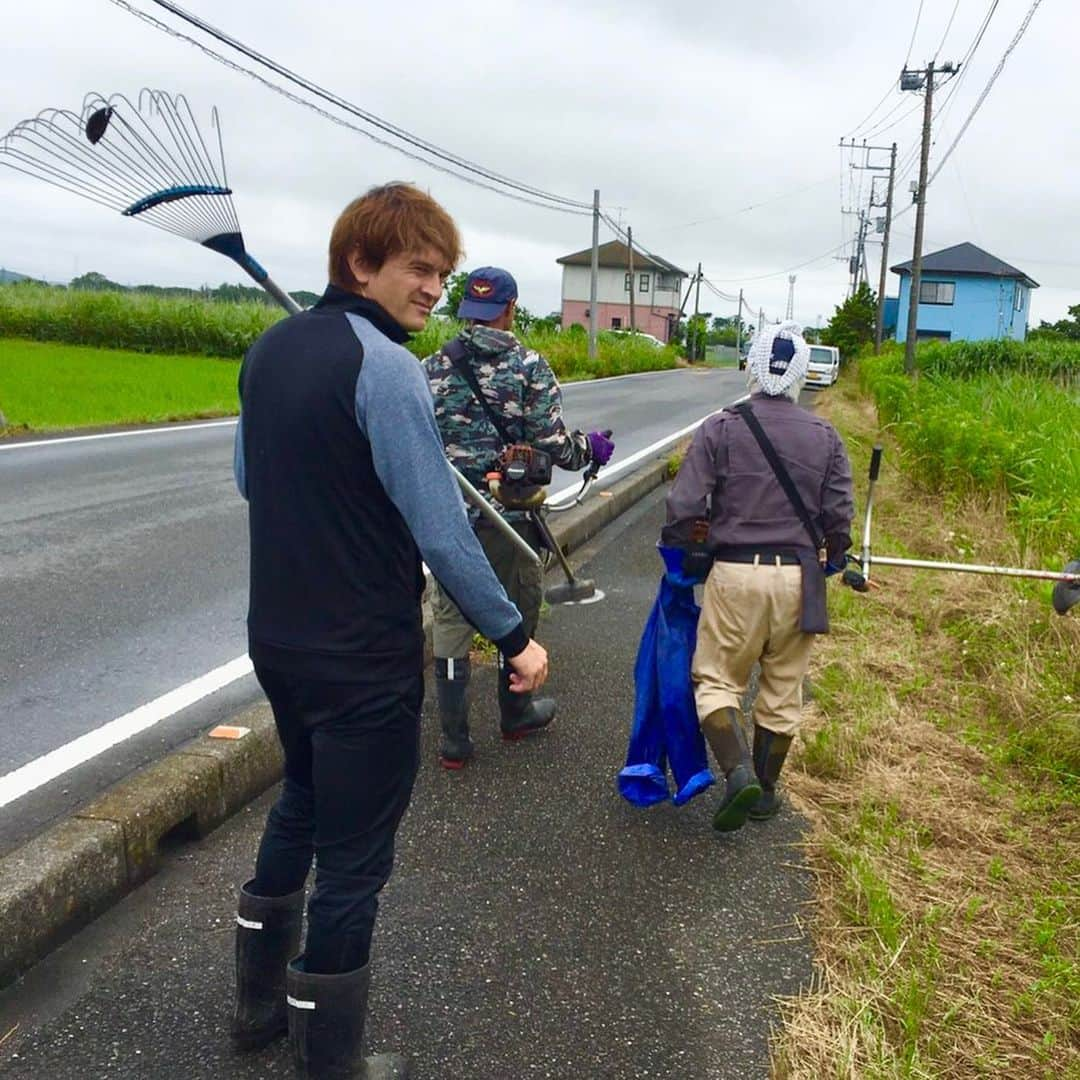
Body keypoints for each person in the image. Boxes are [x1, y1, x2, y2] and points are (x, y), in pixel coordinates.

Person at [230, 184, 549, 1079]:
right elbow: (442, 526)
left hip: (278, 638)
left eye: (443, 274)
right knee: (357, 860)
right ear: (360, 263)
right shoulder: (388, 366)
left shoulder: (268, 352)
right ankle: (326, 1063)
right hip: (361, 651)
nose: (432, 290)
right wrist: (513, 634)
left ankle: (256, 1012)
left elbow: (253, 480)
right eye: (418, 269)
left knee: (302, 800)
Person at [662, 320, 853, 832]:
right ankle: (766, 793)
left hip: (735, 574)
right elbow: (839, 517)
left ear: (751, 364)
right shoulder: (826, 435)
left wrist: (685, 548)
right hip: (798, 577)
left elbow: (682, 505)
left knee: (717, 680)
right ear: (799, 374)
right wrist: (835, 558)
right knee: (783, 687)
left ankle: (738, 770)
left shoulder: (721, 427)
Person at [421, 267, 614, 769]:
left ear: (466, 310)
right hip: (511, 519)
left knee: (449, 623)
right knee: (518, 611)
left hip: (448, 521)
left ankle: (454, 742)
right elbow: (552, 446)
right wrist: (588, 450)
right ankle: (516, 714)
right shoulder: (530, 366)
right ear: (510, 309)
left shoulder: (431, 368)